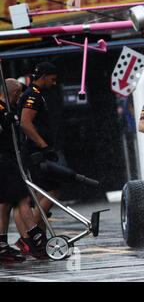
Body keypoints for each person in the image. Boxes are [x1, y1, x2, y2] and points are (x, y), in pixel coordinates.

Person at [0, 79, 47, 262]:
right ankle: (35, 235)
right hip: (4, 161)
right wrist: (5, 123)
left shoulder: (7, 109)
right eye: (18, 93)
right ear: (12, 93)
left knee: (5, 203)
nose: (20, 97)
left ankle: (3, 243)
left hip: (9, 159)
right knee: (22, 198)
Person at [16, 62, 61, 253]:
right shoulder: (33, 95)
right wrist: (44, 146)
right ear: (43, 76)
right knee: (53, 191)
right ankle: (27, 236)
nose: (54, 82)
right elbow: (26, 123)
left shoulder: (36, 94)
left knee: (41, 195)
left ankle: (38, 238)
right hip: (35, 153)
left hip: (36, 152)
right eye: (52, 78)